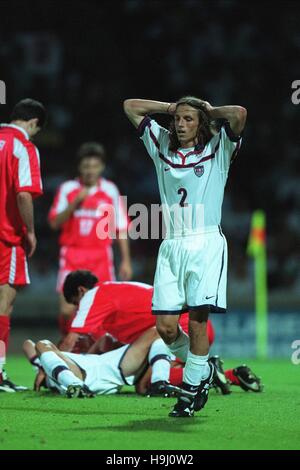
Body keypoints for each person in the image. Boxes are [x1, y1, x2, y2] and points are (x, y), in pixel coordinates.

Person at [124, 96, 247, 417]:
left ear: (201, 124)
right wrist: (171, 107)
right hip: (171, 244)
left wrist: (206, 111)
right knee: (165, 327)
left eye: (188, 119)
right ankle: (203, 368)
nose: (180, 124)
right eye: (178, 119)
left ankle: (191, 392)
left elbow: (238, 113)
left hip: (205, 243)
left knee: (196, 323)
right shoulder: (160, 144)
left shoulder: (218, 151)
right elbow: (129, 106)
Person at [48, 142, 132, 337]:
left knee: (105, 310)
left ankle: (98, 355)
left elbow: (120, 227)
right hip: (72, 254)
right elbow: (54, 223)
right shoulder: (68, 189)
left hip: (100, 256)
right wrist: (75, 202)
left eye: (94, 166)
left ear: (101, 167)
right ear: (79, 167)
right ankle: (70, 352)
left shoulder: (110, 190)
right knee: (67, 310)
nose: (90, 171)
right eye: (86, 166)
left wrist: (126, 260)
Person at [0, 98, 46, 392]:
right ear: (33, 123)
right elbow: (23, 195)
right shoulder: (24, 147)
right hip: (6, 237)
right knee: (3, 305)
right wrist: (29, 231)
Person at [22, 328, 173, 398]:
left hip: (110, 369)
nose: (81, 339)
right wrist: (43, 363)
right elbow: (27, 344)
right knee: (42, 343)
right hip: (79, 373)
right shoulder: (56, 358)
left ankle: (159, 384)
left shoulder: (95, 354)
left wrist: (43, 362)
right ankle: (74, 384)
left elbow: (106, 339)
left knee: (159, 334)